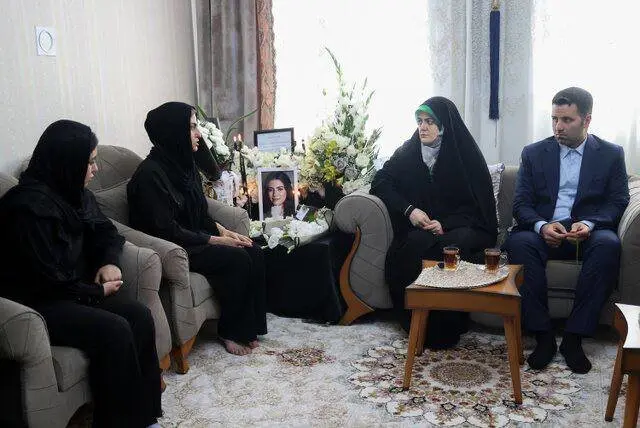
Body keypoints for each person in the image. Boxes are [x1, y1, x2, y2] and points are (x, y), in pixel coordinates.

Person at [0, 120, 162, 427]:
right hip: (40, 301)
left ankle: (145, 415)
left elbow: (106, 232)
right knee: (114, 329)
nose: (95, 169)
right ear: (67, 163)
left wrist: (109, 262)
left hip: (75, 290)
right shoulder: (27, 209)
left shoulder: (75, 194)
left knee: (139, 315)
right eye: (89, 162)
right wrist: (97, 292)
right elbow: (46, 279)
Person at [505, 87, 630, 373]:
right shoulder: (534, 153)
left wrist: (590, 224)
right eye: (554, 119)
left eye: (567, 120)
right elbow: (521, 204)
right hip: (544, 229)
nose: (558, 126)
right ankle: (543, 335)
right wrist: (541, 225)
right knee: (519, 243)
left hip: (588, 231)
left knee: (609, 245)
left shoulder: (611, 154)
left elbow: (618, 200)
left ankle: (574, 337)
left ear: (587, 120)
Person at [127, 102, 267, 356]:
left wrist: (224, 231)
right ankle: (230, 331)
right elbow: (166, 230)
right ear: (173, 132)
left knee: (254, 250)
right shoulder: (149, 176)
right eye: (192, 127)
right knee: (236, 259)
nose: (199, 134)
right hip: (174, 246)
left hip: (196, 236)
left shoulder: (184, 164)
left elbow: (199, 211)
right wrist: (216, 240)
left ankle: (249, 329)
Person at [370, 96, 497, 349]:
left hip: (462, 226)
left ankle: (446, 325)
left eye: (430, 122)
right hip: (421, 227)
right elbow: (380, 182)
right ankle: (417, 323)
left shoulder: (465, 154)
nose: (423, 127)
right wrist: (410, 211)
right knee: (413, 245)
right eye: (419, 121)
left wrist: (445, 224)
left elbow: (478, 209)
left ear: (444, 126)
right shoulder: (409, 150)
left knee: (451, 245)